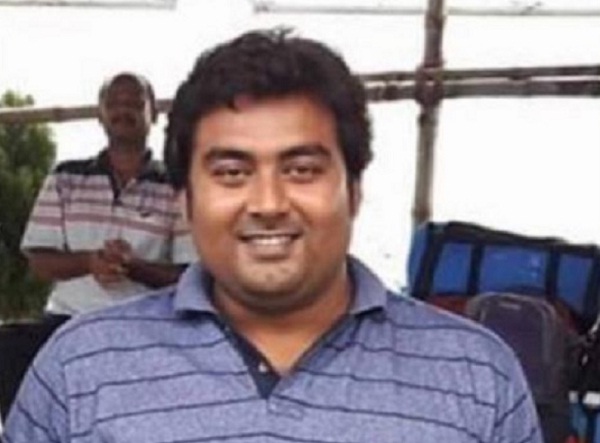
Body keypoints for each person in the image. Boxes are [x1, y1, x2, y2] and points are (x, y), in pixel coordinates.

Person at [2, 30, 542, 442]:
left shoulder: (476, 375)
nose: (267, 203)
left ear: (354, 191)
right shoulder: (78, 369)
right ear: (186, 202)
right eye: (231, 172)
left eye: (302, 170)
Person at [19, 72, 195, 327]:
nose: (123, 111)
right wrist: (89, 262)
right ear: (100, 115)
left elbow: (188, 276)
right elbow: (39, 262)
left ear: (154, 114)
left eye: (134, 103)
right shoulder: (65, 177)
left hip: (145, 327)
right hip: (67, 322)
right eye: (113, 104)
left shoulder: (176, 187)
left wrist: (133, 267)